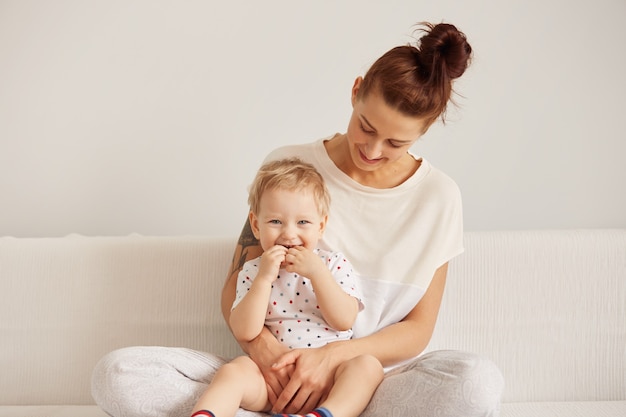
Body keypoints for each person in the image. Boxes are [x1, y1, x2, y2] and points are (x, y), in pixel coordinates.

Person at [92, 21, 504, 417]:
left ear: (424, 131)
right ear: (356, 91)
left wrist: (329, 359)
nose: (374, 150)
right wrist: (268, 356)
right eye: (366, 126)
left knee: (477, 384)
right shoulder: (288, 169)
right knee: (118, 374)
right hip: (270, 374)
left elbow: (417, 330)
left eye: (396, 143)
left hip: (369, 381)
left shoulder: (439, 198)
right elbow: (237, 284)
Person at [190, 158, 383, 417]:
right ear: (256, 225)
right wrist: (264, 279)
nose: (289, 234)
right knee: (234, 371)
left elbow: (344, 320)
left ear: (321, 226)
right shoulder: (253, 271)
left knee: (367, 367)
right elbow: (244, 331)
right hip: (271, 384)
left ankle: (327, 414)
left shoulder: (333, 264)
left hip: (328, 381)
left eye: (303, 223)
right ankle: (207, 413)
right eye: (276, 222)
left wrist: (317, 273)